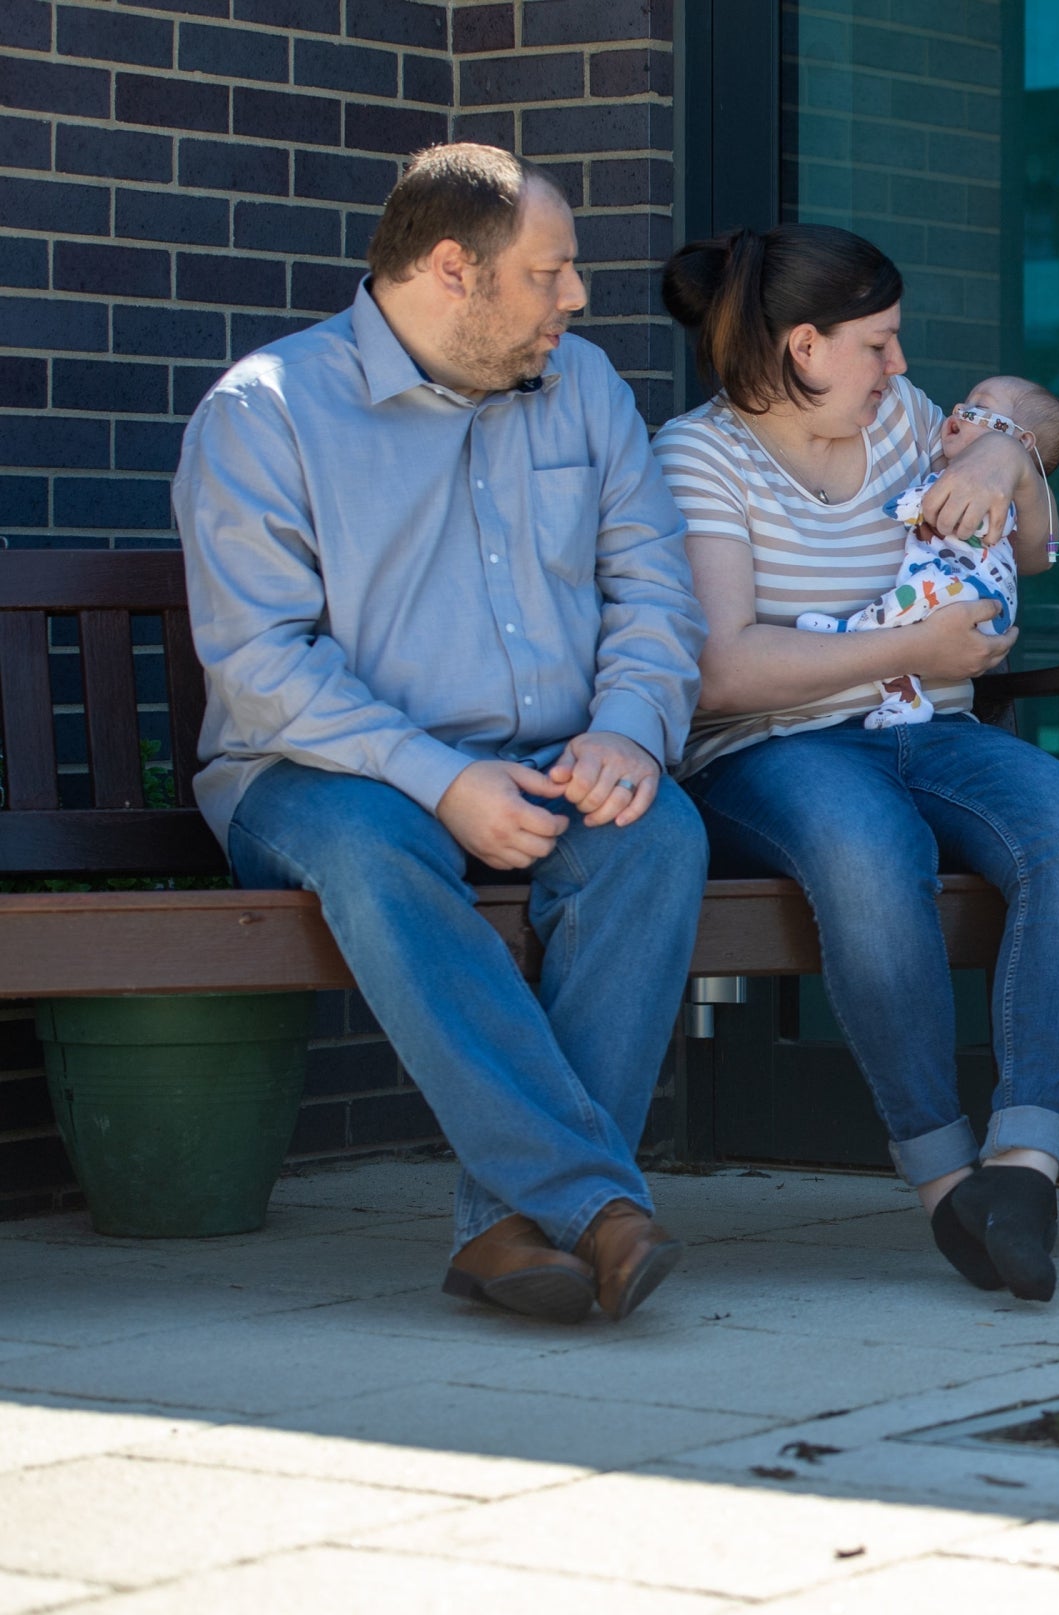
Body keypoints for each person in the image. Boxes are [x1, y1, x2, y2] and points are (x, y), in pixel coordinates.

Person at [173, 143, 710, 1327]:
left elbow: (656, 595)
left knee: (654, 834)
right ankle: (592, 1202)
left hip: (548, 758)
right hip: (321, 773)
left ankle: (509, 1233)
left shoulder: (585, 388)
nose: (577, 298)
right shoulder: (265, 414)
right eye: (551, 272)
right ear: (454, 270)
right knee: (379, 851)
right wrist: (442, 778)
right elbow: (263, 665)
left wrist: (627, 730)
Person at [654, 225, 1059, 1304]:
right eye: (881, 343)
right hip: (775, 748)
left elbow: (1036, 513)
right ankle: (946, 1180)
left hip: (933, 730)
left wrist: (1007, 452)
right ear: (805, 347)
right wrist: (910, 648)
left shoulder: (906, 422)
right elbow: (720, 671)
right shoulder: (697, 458)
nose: (902, 367)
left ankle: (1025, 1166)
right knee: (871, 850)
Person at [794, 376, 1059, 728]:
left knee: (916, 594)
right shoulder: (941, 450)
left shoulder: (1003, 500)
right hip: (947, 607)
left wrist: (1013, 459)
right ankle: (903, 700)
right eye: (964, 402)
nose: (959, 410)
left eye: (979, 408)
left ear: (1022, 438)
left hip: (968, 598)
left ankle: (852, 631)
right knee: (906, 627)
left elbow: (1048, 554)